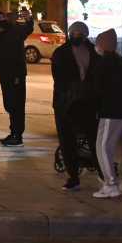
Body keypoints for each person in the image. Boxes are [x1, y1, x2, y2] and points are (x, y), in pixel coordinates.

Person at [50, 21, 99, 190]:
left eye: (80, 34)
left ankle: (101, 171)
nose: (76, 36)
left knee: (94, 138)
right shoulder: (61, 53)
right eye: (74, 33)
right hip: (66, 103)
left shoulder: (93, 51)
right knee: (67, 140)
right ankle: (73, 176)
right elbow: (59, 78)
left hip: (86, 102)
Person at [91, 29, 122, 199]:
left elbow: (98, 89)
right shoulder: (121, 61)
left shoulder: (104, 63)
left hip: (111, 112)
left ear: (102, 45)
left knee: (103, 147)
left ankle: (110, 184)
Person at [0, 8, 34, 146]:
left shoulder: (15, 31)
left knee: (16, 104)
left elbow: (28, 28)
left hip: (16, 74)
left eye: (3, 18)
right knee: (10, 103)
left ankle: (17, 135)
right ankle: (14, 132)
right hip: (6, 73)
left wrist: (29, 19)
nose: (1, 21)